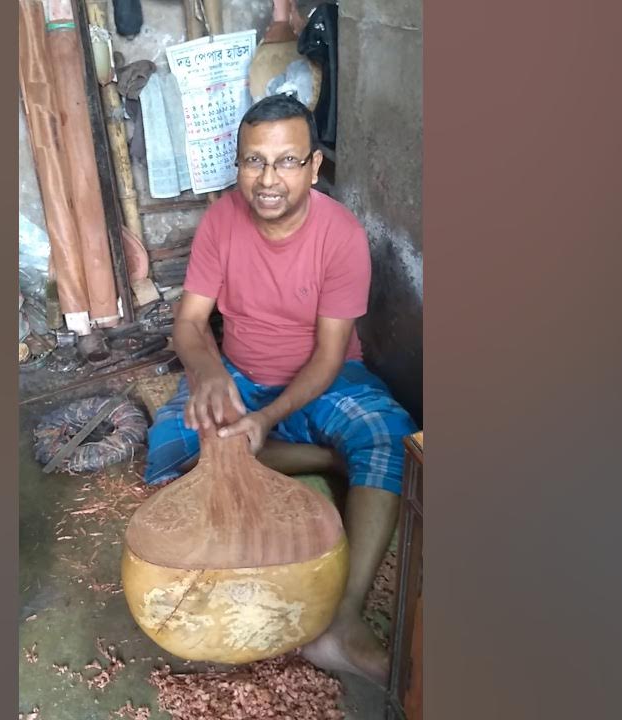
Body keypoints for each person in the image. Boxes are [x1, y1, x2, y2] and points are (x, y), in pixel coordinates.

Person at [142, 93, 418, 685]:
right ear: (238, 163)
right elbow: (190, 324)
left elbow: (326, 356)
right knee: (171, 445)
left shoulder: (340, 235)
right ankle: (327, 460)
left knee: (387, 436)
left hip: (323, 378)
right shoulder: (220, 220)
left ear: (315, 167)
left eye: (287, 161)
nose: (268, 180)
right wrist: (209, 373)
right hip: (241, 373)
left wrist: (266, 421)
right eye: (253, 162)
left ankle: (341, 621)